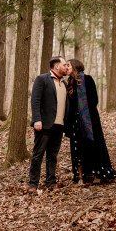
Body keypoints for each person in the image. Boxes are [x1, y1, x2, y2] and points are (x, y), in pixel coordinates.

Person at [65, 58, 116, 184]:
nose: (66, 67)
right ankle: (82, 176)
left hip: (90, 121)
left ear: (75, 66)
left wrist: (83, 114)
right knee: (78, 149)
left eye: (68, 65)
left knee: (93, 146)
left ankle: (98, 174)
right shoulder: (69, 83)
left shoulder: (87, 79)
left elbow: (94, 100)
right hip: (75, 122)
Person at [27, 56, 72, 193]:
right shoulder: (42, 79)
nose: (66, 67)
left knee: (53, 155)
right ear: (56, 66)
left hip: (59, 125)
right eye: (64, 65)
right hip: (44, 124)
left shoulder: (64, 83)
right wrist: (37, 119)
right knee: (38, 154)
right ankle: (33, 184)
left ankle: (51, 182)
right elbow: (35, 100)